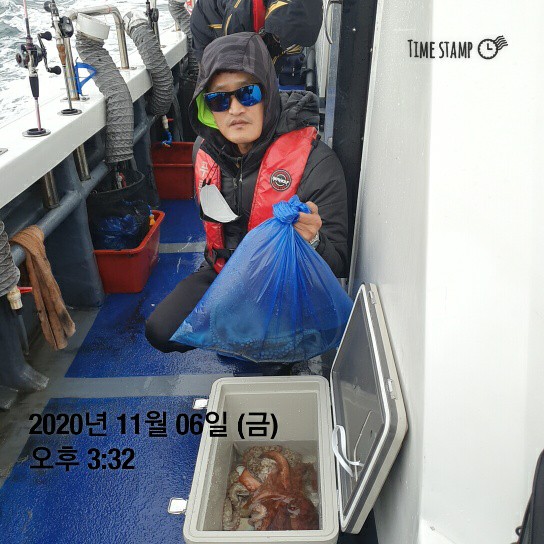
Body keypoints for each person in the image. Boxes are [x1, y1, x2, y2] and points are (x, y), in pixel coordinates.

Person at [145, 32, 348, 354]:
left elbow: (337, 263)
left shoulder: (316, 162)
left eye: (248, 93)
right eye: (219, 99)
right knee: (162, 331)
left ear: (268, 94)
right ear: (207, 108)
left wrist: (311, 241)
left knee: (274, 348)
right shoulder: (204, 151)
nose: (235, 109)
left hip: (286, 287)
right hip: (224, 272)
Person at [189, 0, 322, 73]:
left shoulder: (294, 12)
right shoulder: (240, 17)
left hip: (256, 25)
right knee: (216, 78)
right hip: (208, 24)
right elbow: (237, 65)